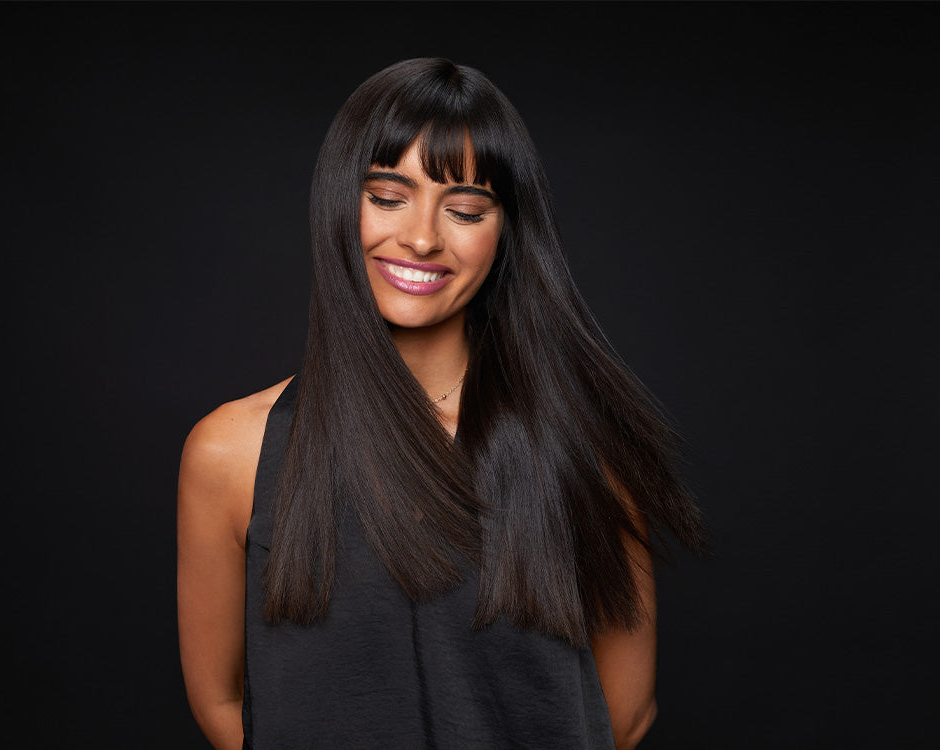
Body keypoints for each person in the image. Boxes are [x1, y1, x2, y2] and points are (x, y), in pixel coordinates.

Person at [177, 58, 706, 750]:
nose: (423, 238)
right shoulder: (232, 452)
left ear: (506, 231)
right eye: (387, 196)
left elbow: (622, 716)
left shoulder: (587, 449)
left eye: (464, 210)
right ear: (338, 202)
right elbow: (222, 702)